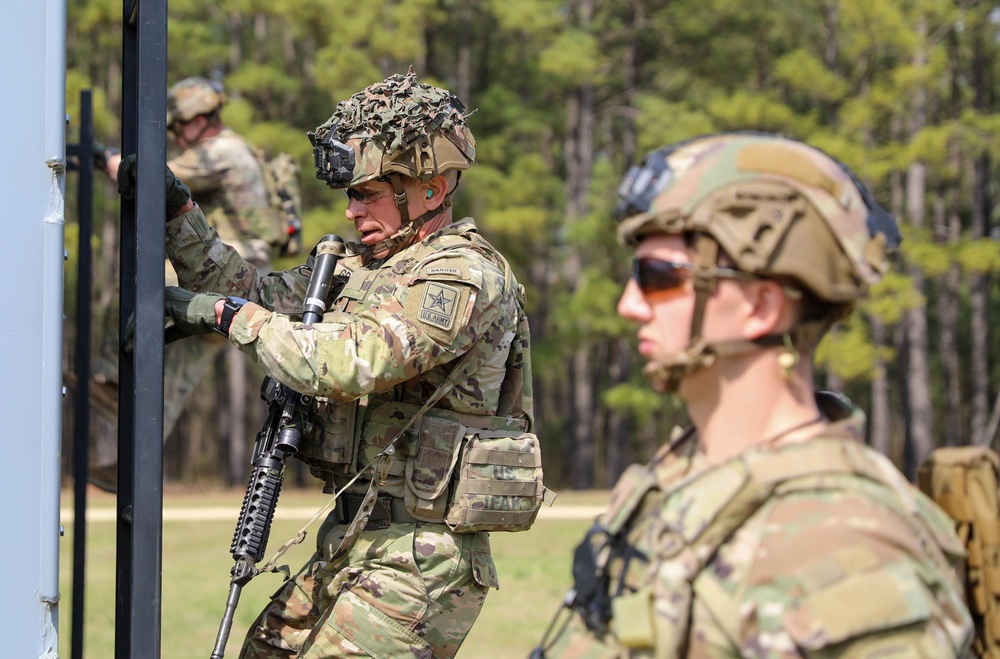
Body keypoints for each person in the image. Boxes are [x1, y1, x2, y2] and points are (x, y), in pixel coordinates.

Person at [127, 70, 540, 657]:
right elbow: (247, 289)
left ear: (429, 188)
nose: (351, 212)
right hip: (351, 539)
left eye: (367, 194)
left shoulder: (461, 274)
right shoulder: (357, 268)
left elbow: (349, 361)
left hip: (420, 561)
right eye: (352, 195)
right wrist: (179, 213)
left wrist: (223, 317)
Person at [534, 133, 973, 658]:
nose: (629, 304)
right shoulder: (682, 476)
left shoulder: (848, 548)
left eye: (656, 277)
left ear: (761, 305)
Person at [90, 76, 284, 490]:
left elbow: (149, 173)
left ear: (199, 119)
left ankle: (108, 378)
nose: (177, 135)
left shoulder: (221, 150)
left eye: (179, 126)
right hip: (244, 274)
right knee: (173, 369)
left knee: (144, 284)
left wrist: (103, 156)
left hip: (229, 269)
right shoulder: (245, 150)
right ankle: (130, 456)